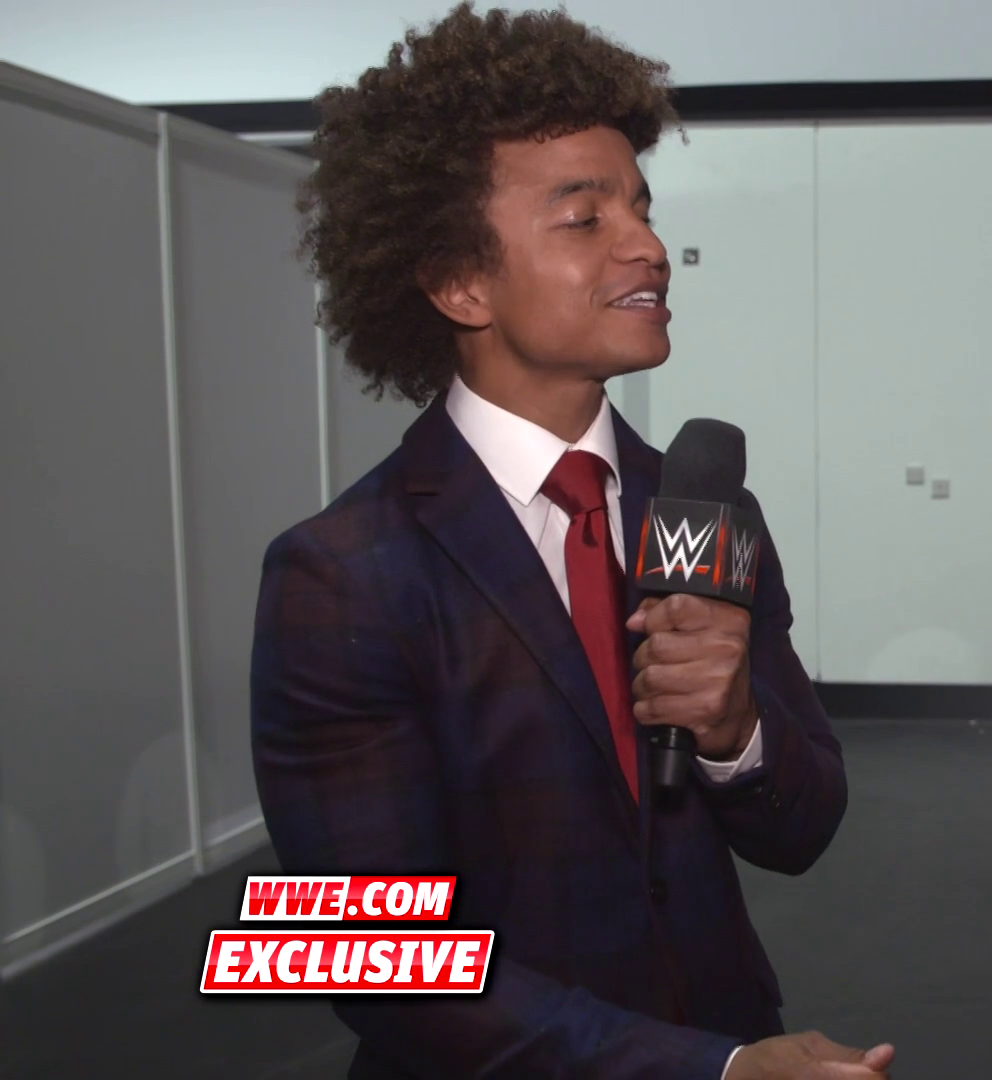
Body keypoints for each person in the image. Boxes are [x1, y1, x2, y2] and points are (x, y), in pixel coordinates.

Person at [249, 5, 892, 1077]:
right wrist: (711, 1072)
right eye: (585, 218)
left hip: (729, 1024)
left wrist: (735, 731)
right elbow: (375, 962)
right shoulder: (343, 574)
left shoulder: (706, 509)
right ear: (459, 281)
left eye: (643, 208)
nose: (650, 248)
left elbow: (804, 825)